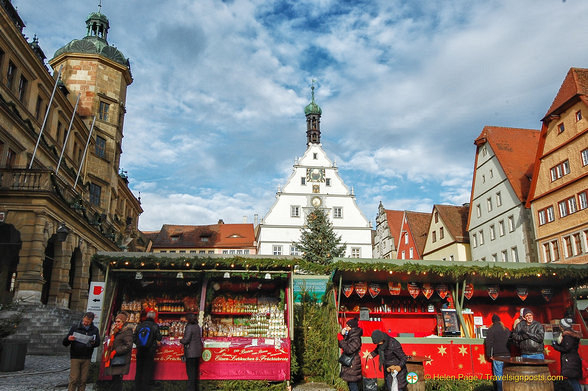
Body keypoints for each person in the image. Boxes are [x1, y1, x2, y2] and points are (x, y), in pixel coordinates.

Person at [62, 312, 101, 391]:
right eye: (85, 321)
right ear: (83, 318)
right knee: (74, 379)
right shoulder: (75, 327)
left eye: (88, 322)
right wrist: (69, 339)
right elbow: (65, 342)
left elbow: (97, 343)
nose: (85, 323)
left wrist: (93, 342)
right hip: (75, 356)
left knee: (83, 380)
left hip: (87, 357)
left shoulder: (94, 330)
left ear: (91, 321)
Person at [103, 312, 133, 391]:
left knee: (117, 381)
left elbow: (128, 346)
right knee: (114, 379)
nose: (116, 323)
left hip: (120, 359)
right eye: (116, 321)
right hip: (114, 359)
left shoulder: (127, 332)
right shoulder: (116, 331)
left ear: (123, 322)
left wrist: (115, 351)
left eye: (119, 321)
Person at [133, 310, 162, 391]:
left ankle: (137, 387)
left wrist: (139, 344)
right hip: (149, 350)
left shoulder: (140, 325)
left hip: (140, 350)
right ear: (154, 317)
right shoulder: (155, 326)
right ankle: (146, 387)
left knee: (139, 369)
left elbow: (134, 337)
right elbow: (159, 337)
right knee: (147, 369)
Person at [552, 317, 582, 391]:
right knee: (573, 381)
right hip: (573, 360)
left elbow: (566, 348)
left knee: (572, 381)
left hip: (570, 361)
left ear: (562, 326)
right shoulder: (572, 334)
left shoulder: (567, 336)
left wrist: (555, 345)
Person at [484, 314, 511, 391]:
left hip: (497, 356)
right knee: (507, 375)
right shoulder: (506, 329)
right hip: (507, 355)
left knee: (499, 376)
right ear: (500, 320)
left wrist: (489, 355)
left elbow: (489, 344)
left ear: (492, 321)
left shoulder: (491, 330)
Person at [338, 318, 363, 391]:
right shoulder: (350, 335)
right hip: (350, 363)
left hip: (353, 363)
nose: (346, 328)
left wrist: (341, 340)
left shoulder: (356, 338)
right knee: (350, 384)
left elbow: (349, 350)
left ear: (352, 327)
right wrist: (343, 336)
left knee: (353, 384)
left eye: (348, 326)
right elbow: (343, 345)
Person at [181, 313, 203, 391]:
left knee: (190, 373)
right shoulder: (197, 326)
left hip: (190, 353)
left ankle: (191, 389)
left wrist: (181, 340)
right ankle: (195, 388)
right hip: (197, 352)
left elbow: (186, 339)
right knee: (195, 372)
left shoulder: (189, 327)